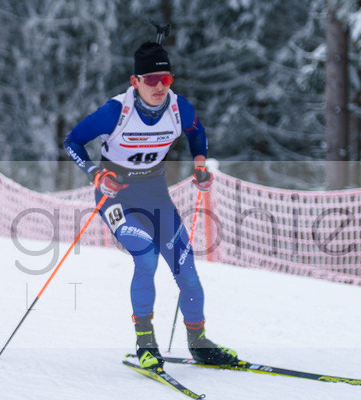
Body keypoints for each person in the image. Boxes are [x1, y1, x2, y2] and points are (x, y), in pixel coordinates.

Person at [63, 40, 237, 373]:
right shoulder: (116, 111)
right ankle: (146, 345)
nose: (159, 87)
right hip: (116, 196)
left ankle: (199, 344)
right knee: (145, 255)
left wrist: (199, 163)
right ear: (135, 81)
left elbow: (196, 131)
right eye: (151, 80)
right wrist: (95, 173)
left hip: (155, 194)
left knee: (186, 269)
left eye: (166, 80)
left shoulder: (178, 107)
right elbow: (72, 140)